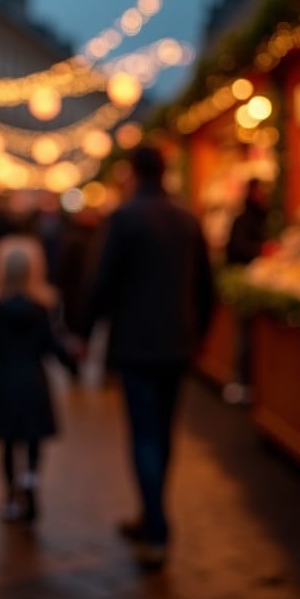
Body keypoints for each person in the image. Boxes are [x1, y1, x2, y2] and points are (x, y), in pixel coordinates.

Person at [82, 145, 214, 570]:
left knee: (144, 435)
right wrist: (200, 336)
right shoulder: (188, 220)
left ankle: (155, 526)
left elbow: (102, 282)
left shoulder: (123, 219)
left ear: (132, 174)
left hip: (136, 345)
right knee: (164, 433)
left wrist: (83, 333)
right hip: (177, 344)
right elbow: (207, 289)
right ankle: (151, 514)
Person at [0, 247, 77, 523]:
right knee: (33, 441)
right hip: (35, 382)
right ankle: (30, 481)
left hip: (5, 383)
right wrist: (73, 364)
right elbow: (52, 347)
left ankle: (10, 495)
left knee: (7, 443)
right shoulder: (42, 309)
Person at [223, 178, 269, 405]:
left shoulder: (266, 217)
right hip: (244, 282)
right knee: (243, 334)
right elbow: (236, 248)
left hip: (253, 281)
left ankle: (250, 382)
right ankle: (241, 381)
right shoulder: (244, 220)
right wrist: (261, 250)